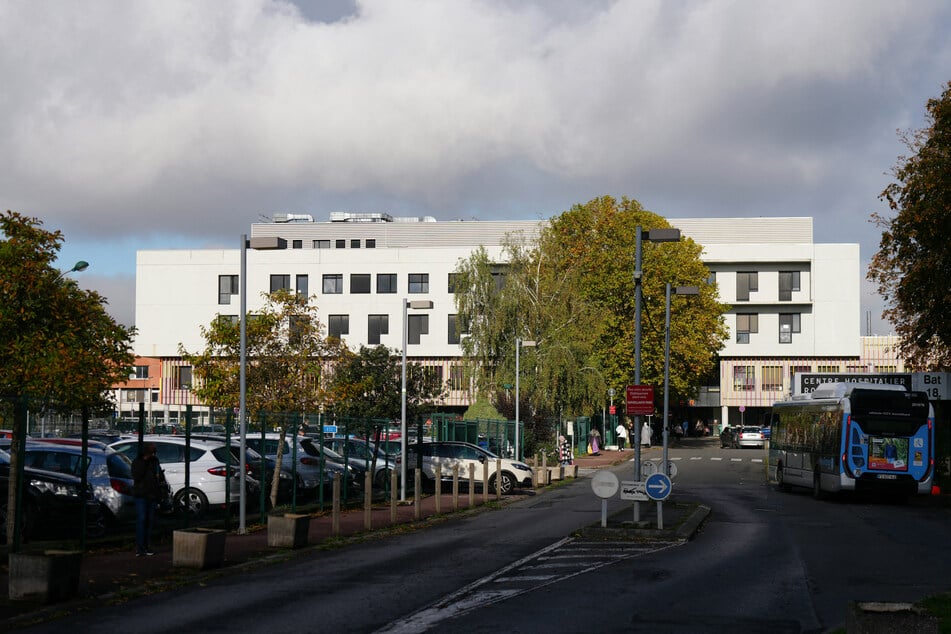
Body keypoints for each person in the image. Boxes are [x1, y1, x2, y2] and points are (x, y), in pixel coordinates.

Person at [132, 443, 162, 557]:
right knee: (142, 519)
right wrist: (145, 461)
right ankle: (140, 547)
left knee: (148, 521)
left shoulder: (154, 461)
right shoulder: (139, 462)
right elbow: (137, 476)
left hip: (152, 494)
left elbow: (158, 475)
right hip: (142, 494)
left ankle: (145, 546)